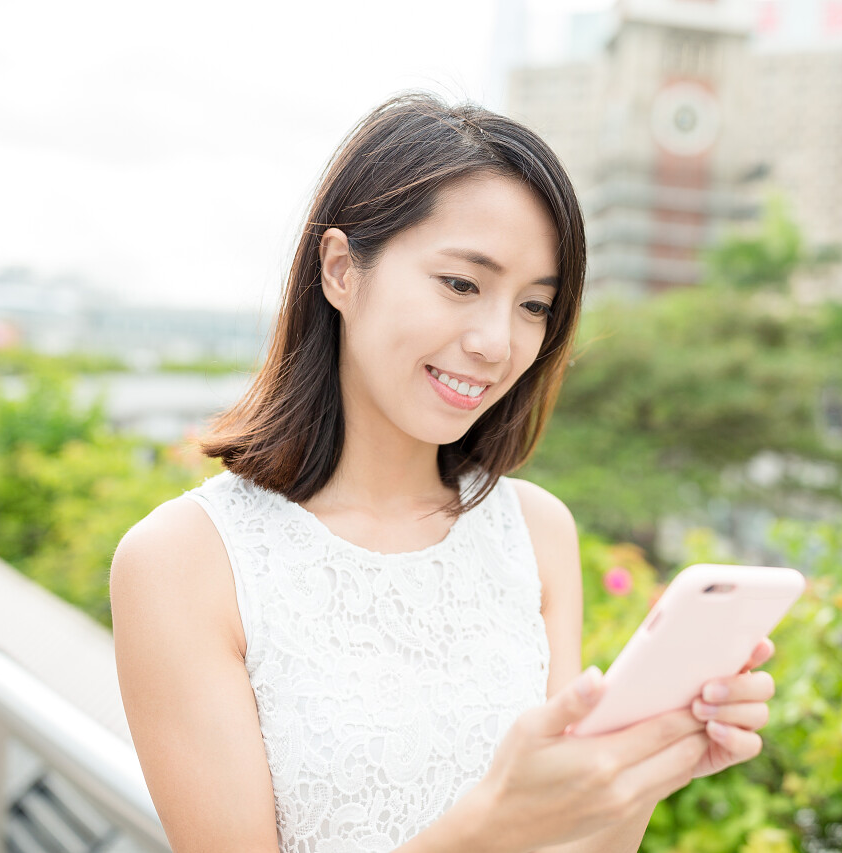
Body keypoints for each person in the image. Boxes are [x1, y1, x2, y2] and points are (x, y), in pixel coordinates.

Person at [109, 92, 777, 853]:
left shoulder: (535, 531)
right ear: (339, 270)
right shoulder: (185, 562)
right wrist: (493, 823)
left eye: (534, 305)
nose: (498, 341)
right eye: (462, 284)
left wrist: (645, 766)